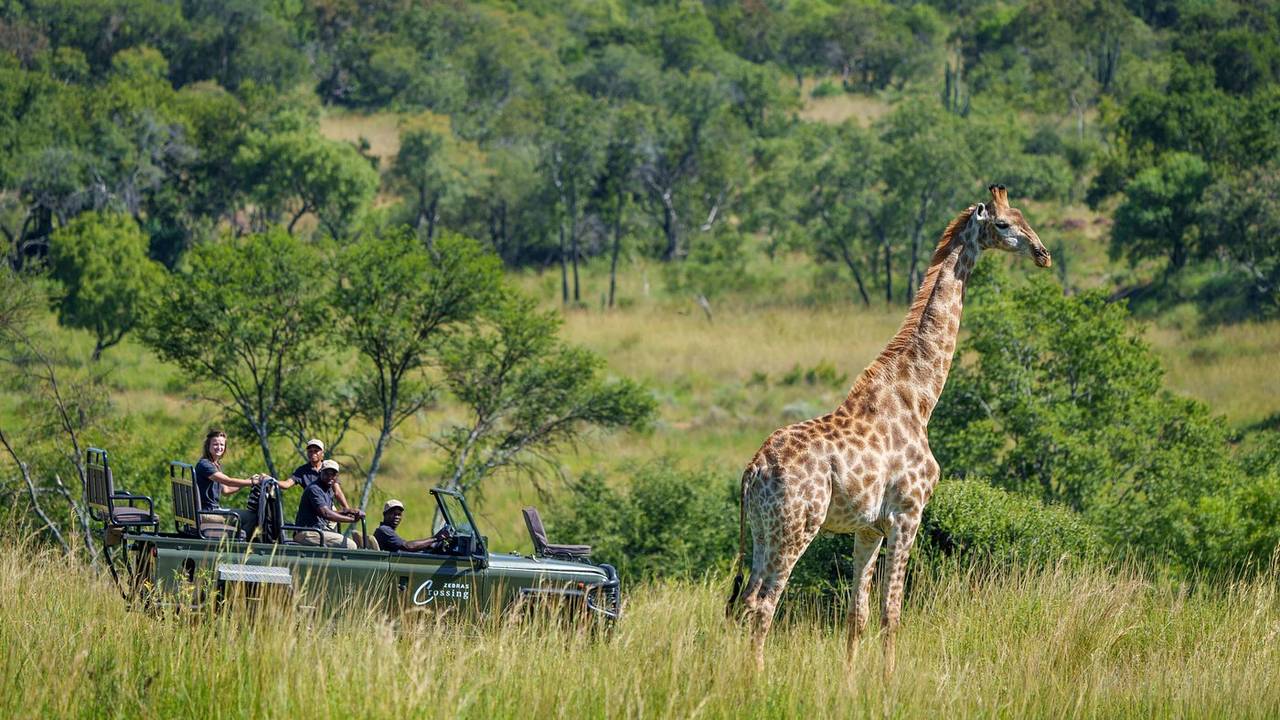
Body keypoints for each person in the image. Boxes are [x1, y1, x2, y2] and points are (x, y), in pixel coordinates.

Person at [194, 429, 260, 535]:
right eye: (215, 444)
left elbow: (226, 490)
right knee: (251, 517)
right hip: (207, 512)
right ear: (208, 446)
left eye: (222, 444)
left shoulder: (215, 464)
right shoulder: (205, 465)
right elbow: (228, 481)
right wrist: (252, 482)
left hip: (213, 510)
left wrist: (247, 482)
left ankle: (238, 539)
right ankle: (242, 547)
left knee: (248, 515)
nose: (219, 447)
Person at [293, 459, 364, 549]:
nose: (330, 477)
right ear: (320, 473)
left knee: (346, 541)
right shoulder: (314, 489)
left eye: (333, 474)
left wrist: (349, 511)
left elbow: (328, 512)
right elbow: (326, 513)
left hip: (317, 531)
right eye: (326, 473)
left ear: (336, 476)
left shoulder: (327, 490)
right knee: (350, 545)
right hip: (307, 532)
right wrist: (351, 520)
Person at [277, 438, 354, 513]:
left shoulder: (329, 468)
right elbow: (287, 484)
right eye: (310, 451)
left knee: (333, 517)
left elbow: (337, 492)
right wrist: (272, 480)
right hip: (312, 509)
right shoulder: (302, 470)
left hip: (327, 508)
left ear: (322, 453)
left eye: (316, 451)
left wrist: (347, 509)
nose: (313, 454)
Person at [373, 499, 450, 553]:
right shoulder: (384, 530)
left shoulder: (386, 530)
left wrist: (428, 545)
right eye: (393, 513)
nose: (396, 517)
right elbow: (408, 546)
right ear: (385, 514)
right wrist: (435, 538)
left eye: (399, 514)